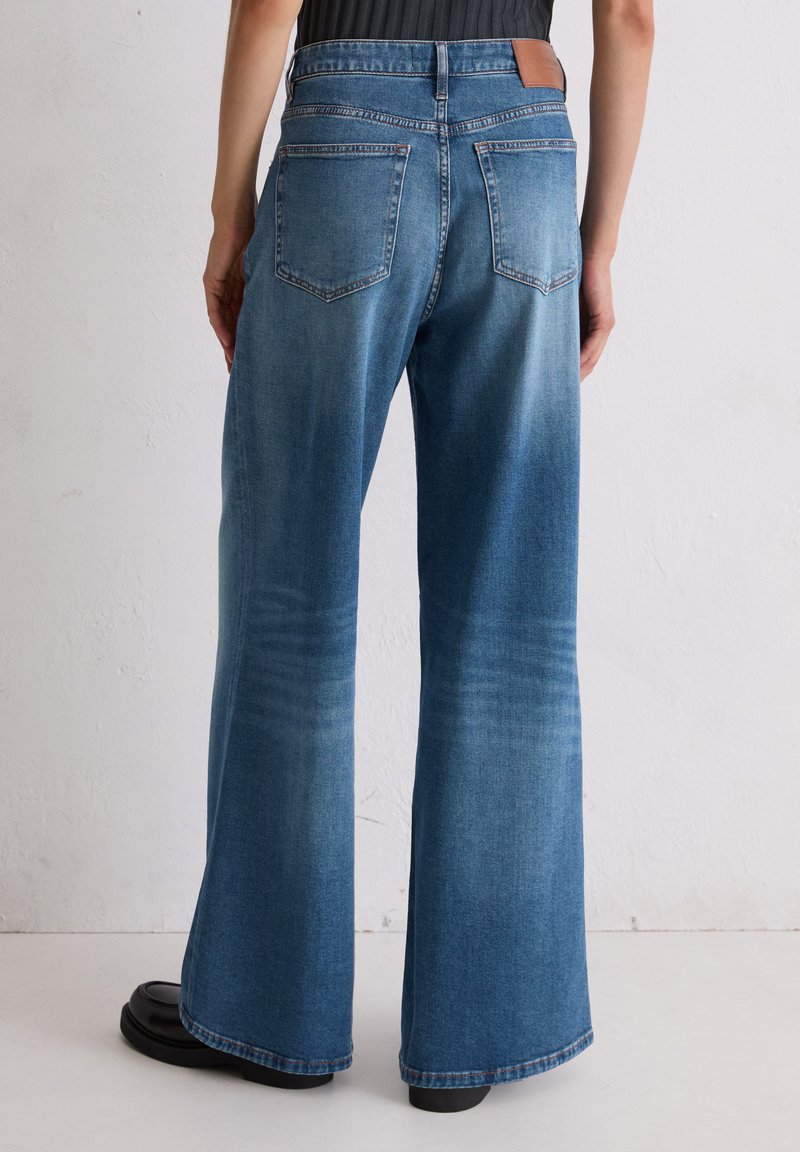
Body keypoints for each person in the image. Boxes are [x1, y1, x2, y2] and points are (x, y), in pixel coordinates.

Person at [120, 0, 654, 1114]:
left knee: (288, 596)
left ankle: (271, 1018)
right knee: (509, 617)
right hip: (526, 144)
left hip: (344, 138)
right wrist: (598, 243)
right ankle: (481, 1032)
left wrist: (228, 213)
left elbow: (269, 3)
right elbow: (631, 16)